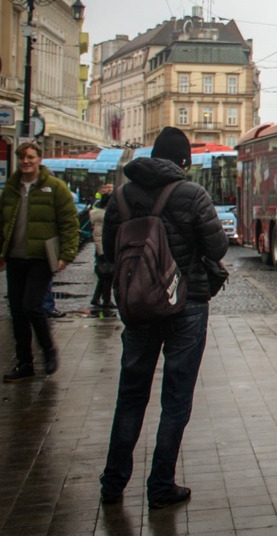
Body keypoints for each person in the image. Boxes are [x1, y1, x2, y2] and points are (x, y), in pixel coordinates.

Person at [99, 127, 228, 509]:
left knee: (130, 395)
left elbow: (109, 250)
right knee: (176, 398)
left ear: (152, 156)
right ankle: (160, 485)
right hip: (186, 305)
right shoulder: (192, 194)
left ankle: (113, 483)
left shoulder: (121, 196)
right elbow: (218, 246)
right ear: (183, 161)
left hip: (138, 307)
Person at [1, 141, 80, 381]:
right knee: (17, 311)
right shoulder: (11, 189)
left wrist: (66, 255)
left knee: (32, 306)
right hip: (15, 257)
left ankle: (49, 351)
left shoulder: (55, 188)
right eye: (22, 158)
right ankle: (24, 362)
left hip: (40, 257)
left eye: (30, 157)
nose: (26, 162)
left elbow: (69, 223)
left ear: (39, 160)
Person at [89, 192, 114, 309]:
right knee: (108, 275)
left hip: (104, 249)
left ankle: (96, 298)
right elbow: (98, 235)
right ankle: (106, 300)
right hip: (104, 250)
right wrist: (102, 253)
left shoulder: (102, 214)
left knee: (104, 275)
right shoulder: (102, 216)